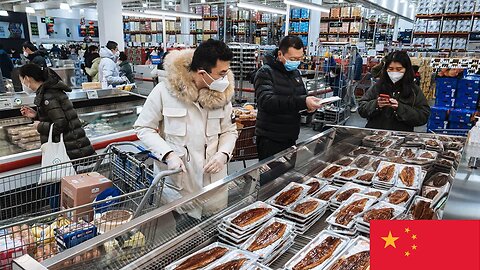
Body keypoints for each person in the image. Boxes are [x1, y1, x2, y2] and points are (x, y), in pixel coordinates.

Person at [134, 39, 238, 220]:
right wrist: (168, 155)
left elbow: (230, 130)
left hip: (214, 185)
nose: (225, 78)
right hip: (179, 186)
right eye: (221, 73)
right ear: (202, 73)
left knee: (214, 234)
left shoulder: (223, 94)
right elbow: (144, 127)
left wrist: (223, 154)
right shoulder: (165, 91)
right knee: (179, 237)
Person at [254, 35, 322, 161]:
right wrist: (302, 102)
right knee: (271, 177)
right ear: (280, 54)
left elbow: (301, 97)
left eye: (299, 58)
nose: (296, 62)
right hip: (270, 138)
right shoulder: (265, 72)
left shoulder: (295, 73)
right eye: (293, 58)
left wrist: (309, 107)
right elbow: (267, 102)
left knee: (286, 176)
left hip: (290, 135)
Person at [19, 63, 95, 160]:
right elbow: (56, 116)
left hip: (70, 149)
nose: (22, 84)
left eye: (21, 80)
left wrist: (39, 126)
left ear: (27, 78)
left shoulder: (48, 95)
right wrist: (36, 115)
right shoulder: (49, 90)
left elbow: (61, 124)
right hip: (72, 146)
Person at [358, 51, 430, 132]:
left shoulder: (414, 90)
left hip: (401, 137)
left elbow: (423, 116)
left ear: (406, 69)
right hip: (374, 135)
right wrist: (376, 104)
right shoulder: (378, 86)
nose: (394, 72)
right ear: (386, 69)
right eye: (391, 69)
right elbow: (361, 108)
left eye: (399, 69)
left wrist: (399, 108)